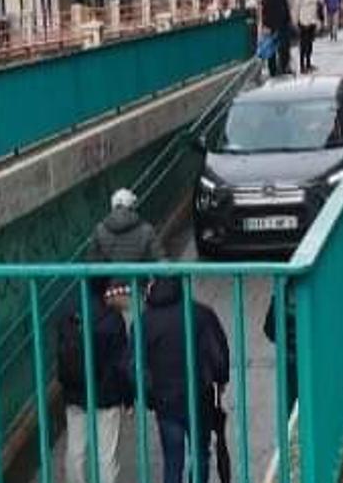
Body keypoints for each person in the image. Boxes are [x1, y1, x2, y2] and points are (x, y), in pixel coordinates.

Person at [140, 277, 230, 483]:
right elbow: (217, 354)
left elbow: (134, 364)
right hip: (199, 396)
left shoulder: (145, 321)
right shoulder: (201, 314)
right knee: (200, 453)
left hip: (165, 401)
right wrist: (221, 379)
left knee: (172, 460)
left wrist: (149, 395)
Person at [58, 279, 132, 483]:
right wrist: (128, 398)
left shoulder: (69, 316)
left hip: (75, 392)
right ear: (106, 290)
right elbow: (121, 365)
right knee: (106, 455)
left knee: (75, 450)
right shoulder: (112, 319)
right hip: (106, 395)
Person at [88, 189, 166, 263]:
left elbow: (92, 260)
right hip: (139, 275)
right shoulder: (146, 230)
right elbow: (159, 259)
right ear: (131, 206)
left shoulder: (99, 230)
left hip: (112, 276)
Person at [260, 0, 292, 77]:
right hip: (279, 25)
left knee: (273, 49)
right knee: (282, 48)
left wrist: (266, 24)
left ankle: (274, 70)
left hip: (274, 25)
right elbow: (284, 9)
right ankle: (282, 67)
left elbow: (265, 10)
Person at [291, 0, 322, 74]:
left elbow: (317, 6)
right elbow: (296, 8)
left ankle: (308, 63)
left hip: (312, 21)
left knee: (310, 44)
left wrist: (318, 20)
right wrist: (295, 21)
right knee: (303, 44)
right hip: (303, 21)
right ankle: (302, 65)